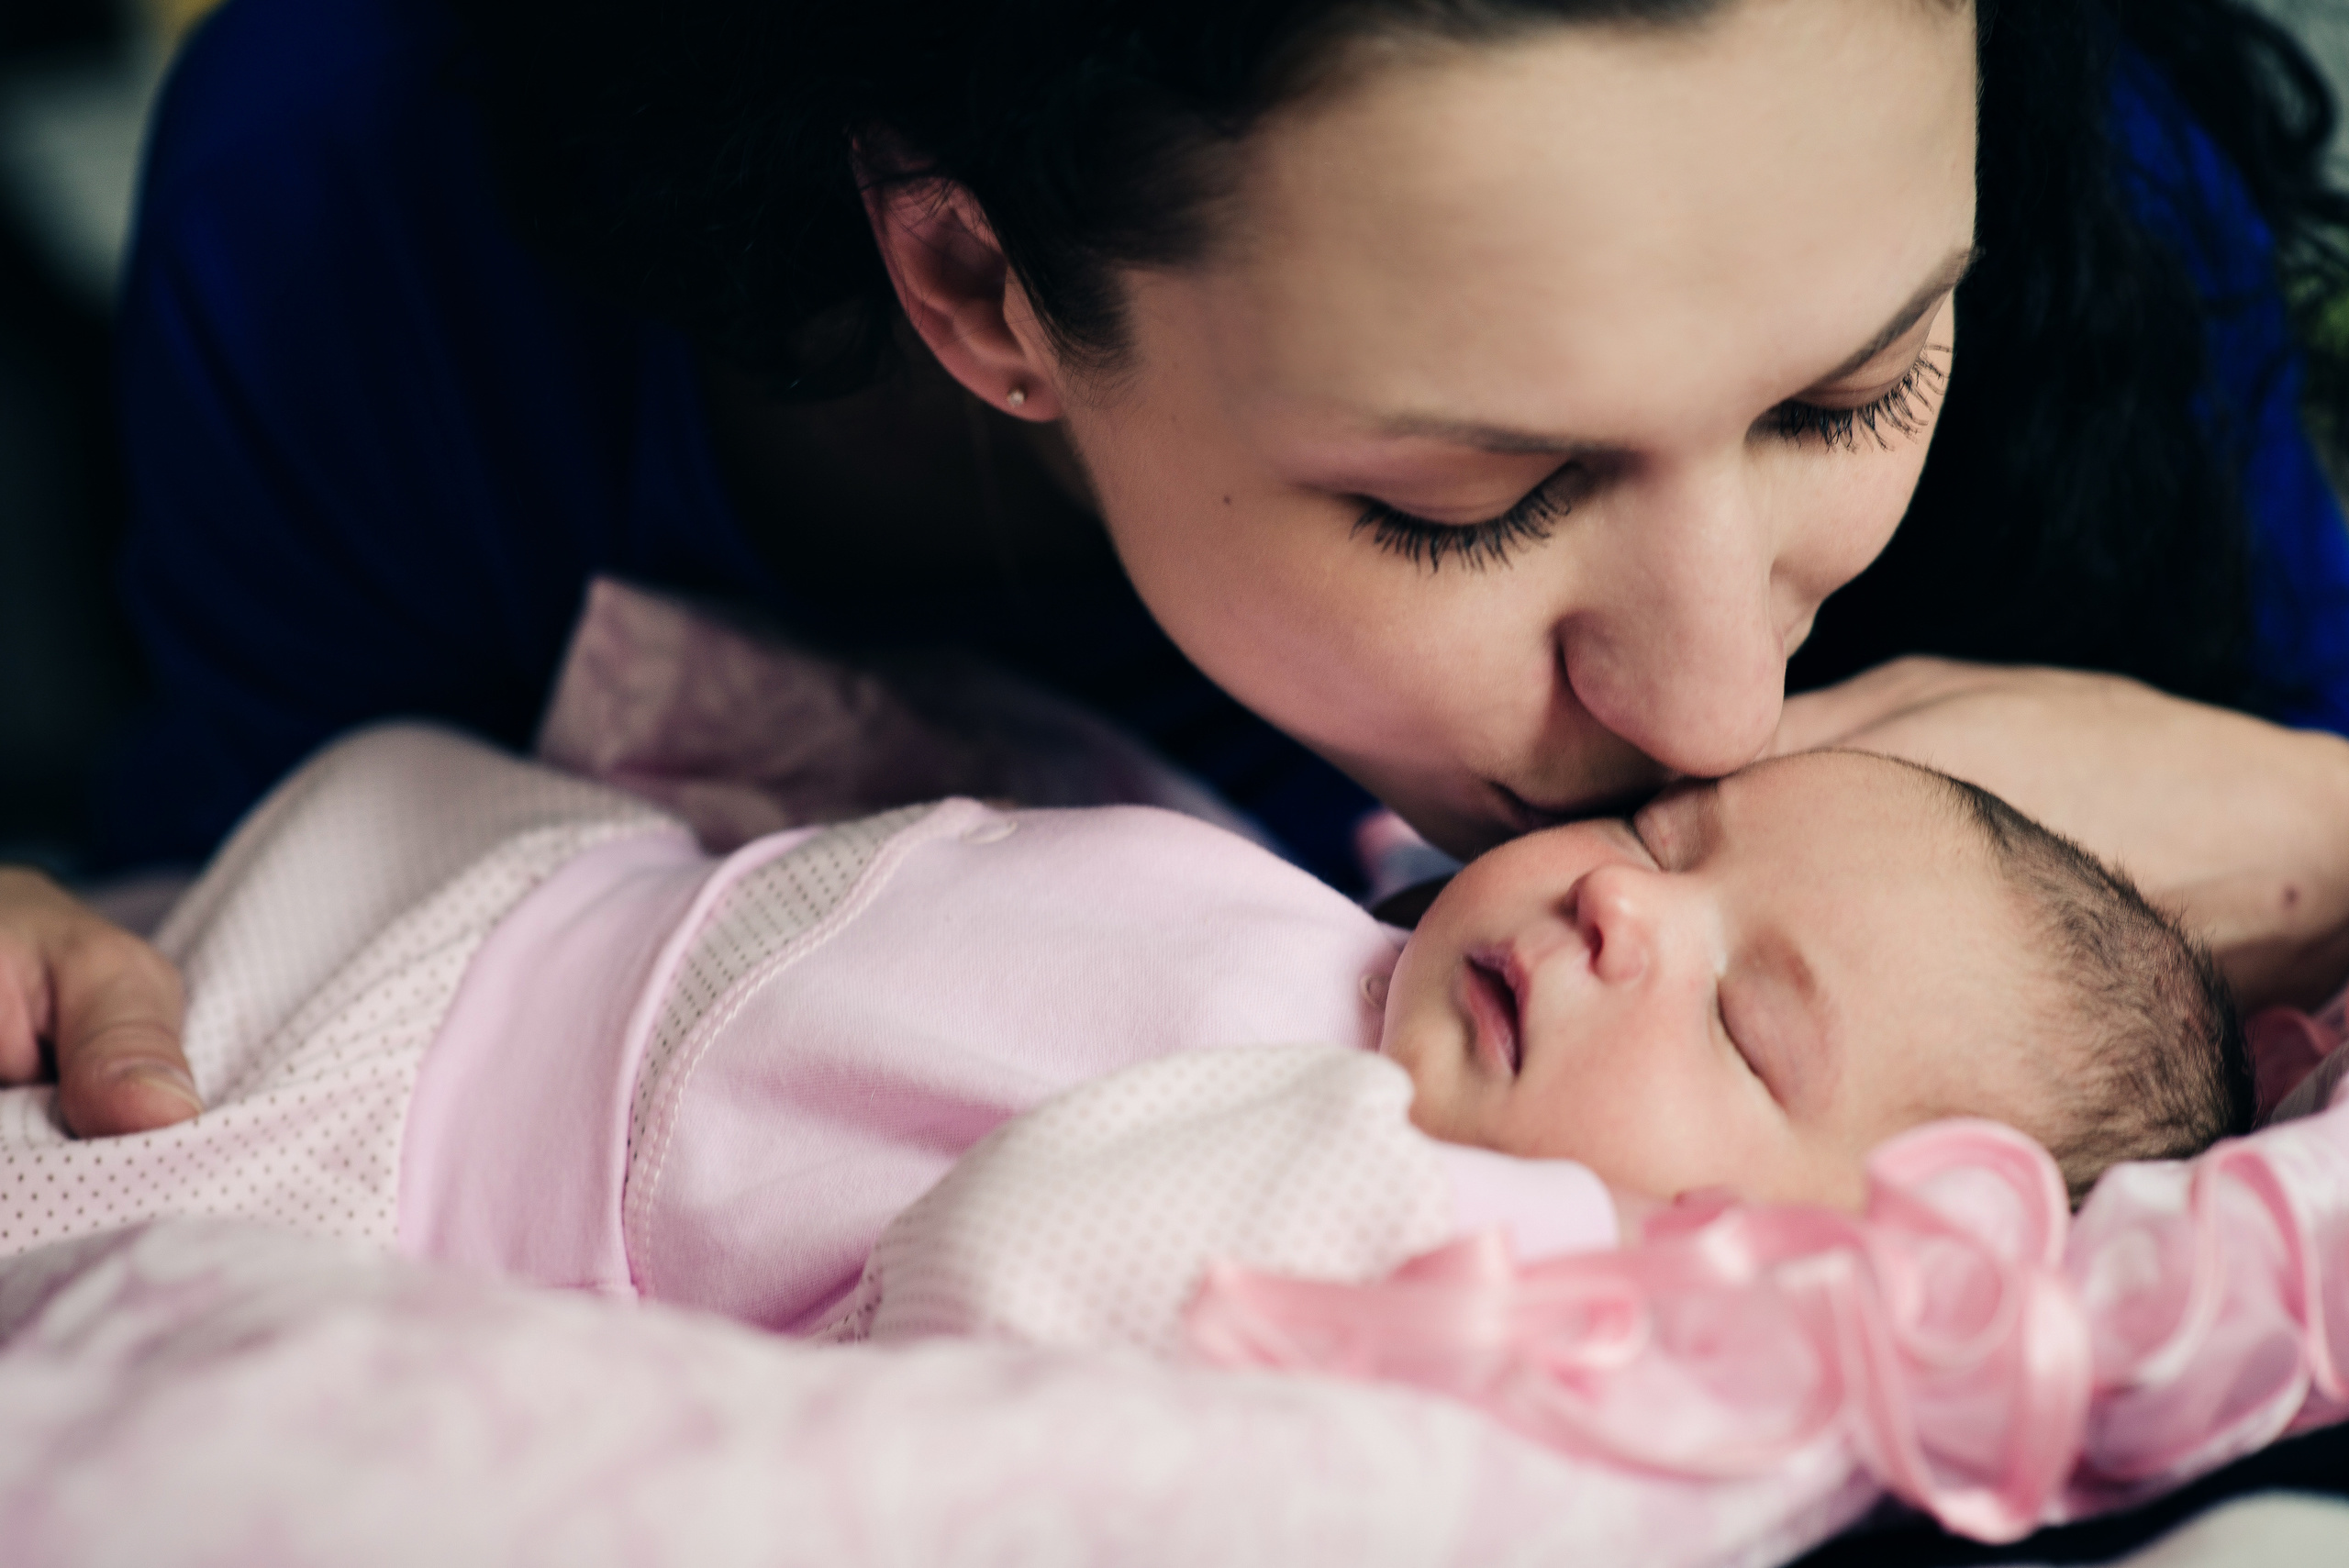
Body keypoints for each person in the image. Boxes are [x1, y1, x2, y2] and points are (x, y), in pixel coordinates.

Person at [7, 0, 2349, 1136]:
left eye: (1846, 398)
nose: (1724, 715)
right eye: (1469, 506)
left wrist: (2301, 818)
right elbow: (220, 963)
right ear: (974, 290)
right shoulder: (358, 227)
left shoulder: (2079, 169)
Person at [0, 725, 2248, 1332]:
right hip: (478, 894)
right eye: (1674, 833)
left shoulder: (1388, 1224)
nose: (1616, 905)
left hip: (392, 1171)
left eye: (1749, 1033)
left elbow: (1005, 1280)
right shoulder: (1349, 929)